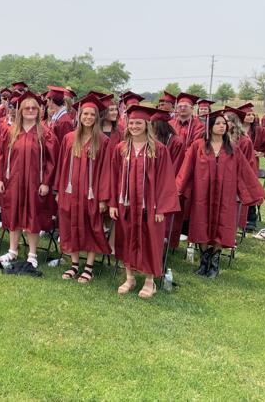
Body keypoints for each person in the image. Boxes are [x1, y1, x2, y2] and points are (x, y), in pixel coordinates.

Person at [176, 111, 265, 279]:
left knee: (222, 225)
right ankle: (204, 263)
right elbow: (185, 170)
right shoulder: (198, 146)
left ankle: (214, 264)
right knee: (201, 224)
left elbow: (245, 172)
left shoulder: (233, 148)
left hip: (225, 195)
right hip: (202, 195)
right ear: (209, 126)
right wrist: (176, 190)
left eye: (224, 124)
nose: (221, 126)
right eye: (218, 123)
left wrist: (258, 192)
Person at [108, 105, 180, 299]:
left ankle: (150, 281)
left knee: (151, 241)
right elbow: (113, 177)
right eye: (131, 123)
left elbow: (166, 179)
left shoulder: (159, 149)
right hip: (126, 203)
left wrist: (162, 208)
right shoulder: (121, 149)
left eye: (138, 123)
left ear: (147, 125)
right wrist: (113, 203)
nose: (134, 126)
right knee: (126, 238)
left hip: (151, 206)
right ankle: (129, 277)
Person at [0, 91, 57, 268]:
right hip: (13, 181)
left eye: (34, 107)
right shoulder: (10, 131)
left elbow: (52, 161)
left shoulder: (46, 133)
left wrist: (46, 182)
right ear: (20, 110)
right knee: (14, 213)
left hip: (36, 183)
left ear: (39, 110)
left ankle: (32, 254)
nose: (30, 110)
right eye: (27, 107)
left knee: (33, 216)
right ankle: (12, 251)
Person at [54, 94, 111, 282]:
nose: (88, 117)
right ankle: (74, 264)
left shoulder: (103, 141)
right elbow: (61, 166)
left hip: (91, 194)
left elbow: (106, 171)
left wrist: (103, 198)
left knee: (92, 227)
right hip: (70, 192)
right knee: (70, 226)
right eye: (85, 114)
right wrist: (58, 191)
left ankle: (89, 267)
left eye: (91, 115)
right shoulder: (69, 138)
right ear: (79, 116)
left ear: (96, 118)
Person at [237, 102, 265, 231]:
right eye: (247, 114)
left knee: (249, 189)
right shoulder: (234, 129)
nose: (250, 117)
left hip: (251, 164)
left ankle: (250, 219)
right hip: (234, 164)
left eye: (252, 114)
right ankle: (236, 218)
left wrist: (263, 153)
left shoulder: (259, 131)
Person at [150, 108, 185, 250]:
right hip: (151, 184)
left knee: (167, 218)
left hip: (168, 186)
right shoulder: (151, 141)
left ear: (157, 126)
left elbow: (177, 166)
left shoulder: (176, 142)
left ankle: (164, 245)